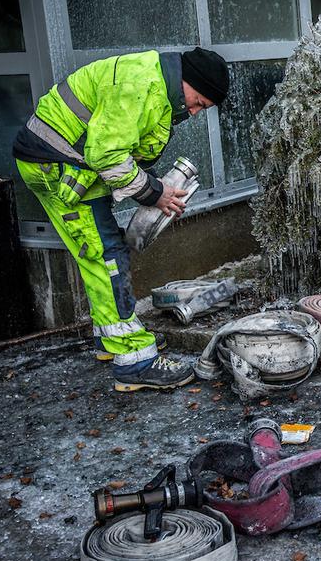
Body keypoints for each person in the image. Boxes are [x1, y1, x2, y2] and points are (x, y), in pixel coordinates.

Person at [12, 47, 230, 391]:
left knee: (104, 248)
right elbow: (106, 153)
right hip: (56, 164)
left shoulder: (159, 83)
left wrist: (154, 185)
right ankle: (134, 361)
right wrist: (152, 193)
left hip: (70, 161)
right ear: (187, 81)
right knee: (106, 256)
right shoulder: (142, 84)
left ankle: (109, 337)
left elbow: (126, 146)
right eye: (199, 102)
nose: (194, 111)